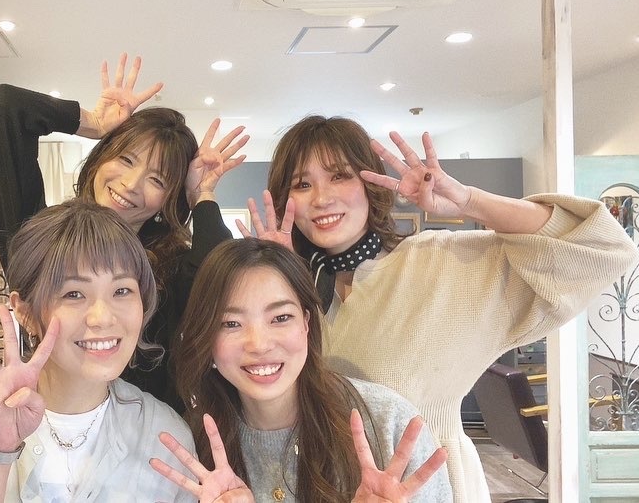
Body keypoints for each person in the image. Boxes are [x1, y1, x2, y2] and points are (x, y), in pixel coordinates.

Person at [243, 115, 639, 502]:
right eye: (302, 184)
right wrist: (278, 275)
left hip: (427, 486)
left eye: (339, 176)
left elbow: (601, 247)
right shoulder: (301, 290)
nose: (321, 198)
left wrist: (470, 201)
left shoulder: (440, 263)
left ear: (370, 183)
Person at [0, 54, 247, 408]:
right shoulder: (44, 243)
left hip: (149, 431)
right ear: (101, 158)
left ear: (167, 201)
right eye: (125, 159)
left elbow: (223, 280)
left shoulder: (170, 271)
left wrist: (201, 195)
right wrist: (91, 123)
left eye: (157, 180)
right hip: (48, 419)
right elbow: (8, 106)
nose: (131, 183)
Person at [0, 200, 195, 502]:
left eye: (122, 291)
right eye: (74, 294)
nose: (103, 318)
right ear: (25, 312)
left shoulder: (164, 435)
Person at [150, 238, 452, 502]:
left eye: (281, 318)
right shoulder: (192, 448)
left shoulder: (387, 423)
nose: (259, 345)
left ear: (306, 324)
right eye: (231, 324)